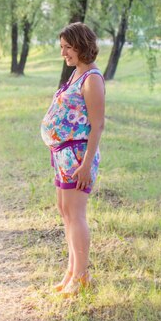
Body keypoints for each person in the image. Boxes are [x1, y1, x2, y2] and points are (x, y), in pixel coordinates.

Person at [40, 22, 105, 297]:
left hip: (79, 155)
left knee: (76, 215)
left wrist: (86, 164)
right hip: (63, 154)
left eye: (67, 47)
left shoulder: (91, 79)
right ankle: (71, 271)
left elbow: (97, 124)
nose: (64, 53)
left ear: (81, 45)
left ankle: (81, 277)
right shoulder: (76, 74)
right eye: (62, 48)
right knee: (65, 213)